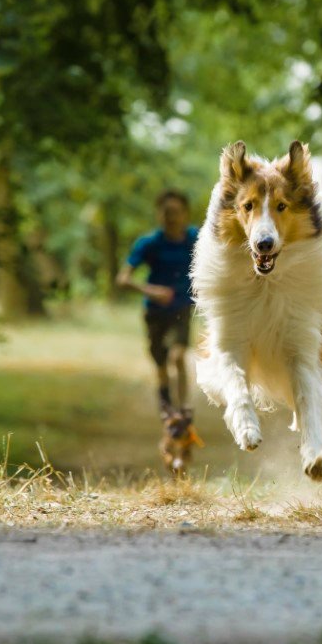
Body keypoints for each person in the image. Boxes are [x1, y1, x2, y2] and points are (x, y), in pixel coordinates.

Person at [116, 189, 203, 466]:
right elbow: (123, 278)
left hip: (181, 308)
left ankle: (184, 414)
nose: (171, 218)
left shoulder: (196, 238)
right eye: (165, 213)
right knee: (162, 367)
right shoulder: (149, 243)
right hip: (154, 313)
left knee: (178, 356)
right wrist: (148, 289)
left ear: (185, 214)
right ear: (159, 215)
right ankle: (169, 416)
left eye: (176, 213)